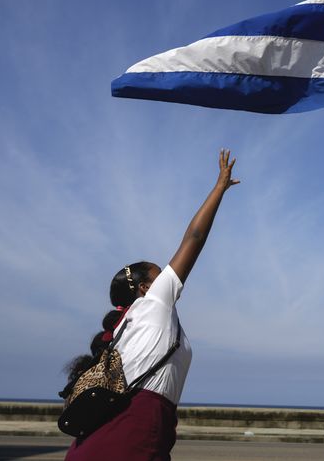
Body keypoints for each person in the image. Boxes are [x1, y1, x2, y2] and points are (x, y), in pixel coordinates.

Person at [63, 149, 239, 461]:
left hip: (119, 440)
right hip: (127, 441)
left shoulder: (128, 324)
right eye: (160, 274)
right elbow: (194, 238)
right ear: (145, 288)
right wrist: (219, 188)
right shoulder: (152, 304)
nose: (168, 276)